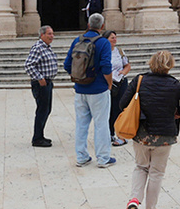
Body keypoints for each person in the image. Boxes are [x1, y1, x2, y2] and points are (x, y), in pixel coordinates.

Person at [123, 50, 180, 209]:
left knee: (141, 167)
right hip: (165, 135)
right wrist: (178, 113)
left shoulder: (139, 80)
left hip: (142, 134)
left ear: (151, 63)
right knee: (156, 173)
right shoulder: (175, 85)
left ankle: (134, 200)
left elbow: (123, 104)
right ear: (170, 65)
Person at [66, 14, 116, 168]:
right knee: (101, 124)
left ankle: (81, 157)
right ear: (102, 26)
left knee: (81, 124)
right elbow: (106, 67)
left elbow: (67, 64)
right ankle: (103, 158)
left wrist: (79, 78)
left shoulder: (77, 40)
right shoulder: (103, 43)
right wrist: (109, 83)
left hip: (80, 90)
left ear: (88, 24)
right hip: (98, 89)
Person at [26, 26, 57, 147]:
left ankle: (40, 135)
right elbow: (29, 65)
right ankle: (37, 138)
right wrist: (39, 78)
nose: (52, 36)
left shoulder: (46, 47)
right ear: (42, 35)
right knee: (42, 110)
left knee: (46, 110)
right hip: (41, 84)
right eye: (49, 34)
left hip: (47, 82)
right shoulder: (38, 48)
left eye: (52, 34)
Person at [106, 32, 134, 148]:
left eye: (115, 37)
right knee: (109, 109)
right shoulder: (103, 52)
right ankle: (109, 133)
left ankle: (121, 134)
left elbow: (127, 65)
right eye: (112, 37)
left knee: (121, 108)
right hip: (109, 84)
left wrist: (123, 72)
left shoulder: (120, 51)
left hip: (121, 83)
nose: (115, 39)